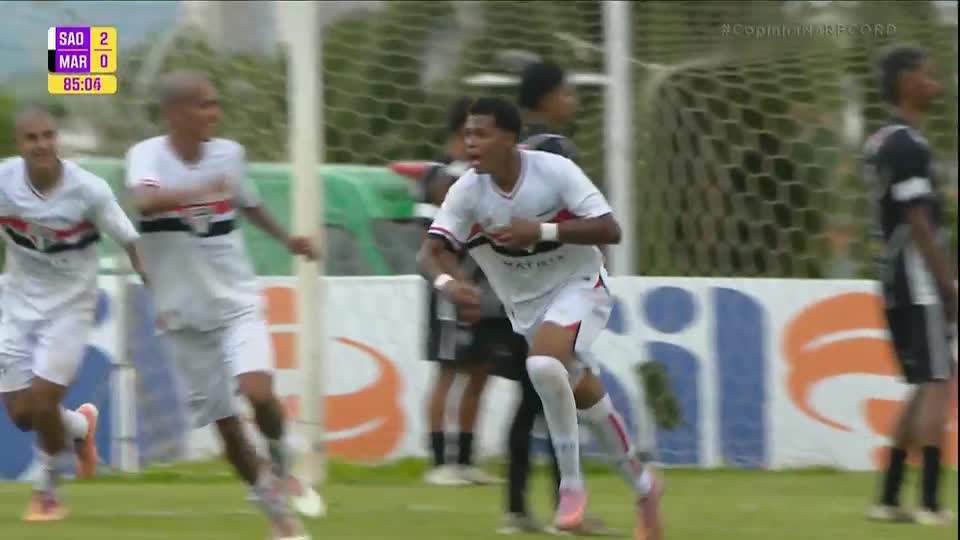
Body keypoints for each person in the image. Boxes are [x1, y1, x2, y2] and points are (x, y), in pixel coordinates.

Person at [417, 97, 663, 540]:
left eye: (482, 133)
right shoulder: (468, 192)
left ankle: (571, 490)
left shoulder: (554, 172)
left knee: (543, 367)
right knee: (584, 395)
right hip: (526, 312)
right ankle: (645, 488)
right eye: (468, 134)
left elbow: (611, 230)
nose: (470, 143)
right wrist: (448, 286)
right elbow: (430, 253)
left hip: (581, 288)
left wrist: (544, 230)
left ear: (510, 138)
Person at [125, 70, 318, 540]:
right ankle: (277, 516)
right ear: (175, 113)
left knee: (258, 392)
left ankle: (279, 453)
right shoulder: (145, 156)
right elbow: (144, 201)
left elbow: (246, 201)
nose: (214, 114)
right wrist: (197, 192)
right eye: (203, 105)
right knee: (227, 428)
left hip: (236, 300)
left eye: (215, 104)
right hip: (182, 314)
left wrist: (287, 238)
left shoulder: (230, 155)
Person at [0, 106, 144, 521]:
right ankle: (80, 429)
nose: (42, 144)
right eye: (32, 138)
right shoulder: (4, 181)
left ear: (56, 139)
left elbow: (131, 240)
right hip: (17, 303)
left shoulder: (89, 190)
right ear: (20, 144)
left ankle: (47, 489)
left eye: (48, 135)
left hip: (71, 306)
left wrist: (154, 278)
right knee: (23, 415)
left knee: (44, 400)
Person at [500, 60, 622, 537]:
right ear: (546, 98)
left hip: (516, 291)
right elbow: (581, 215)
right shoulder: (554, 151)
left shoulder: (510, 152)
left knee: (529, 399)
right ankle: (564, 509)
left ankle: (515, 510)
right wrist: (599, 260)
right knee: (558, 395)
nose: (572, 100)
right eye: (566, 92)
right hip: (554, 293)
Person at [864, 45, 956, 527]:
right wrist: (948, 286)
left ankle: (888, 498)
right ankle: (931, 503)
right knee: (939, 383)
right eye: (927, 73)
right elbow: (918, 220)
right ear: (906, 82)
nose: (935, 80)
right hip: (917, 277)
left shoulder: (883, 141)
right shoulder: (909, 146)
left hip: (896, 277)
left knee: (923, 385)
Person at [420, 97, 507, 486]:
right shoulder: (443, 177)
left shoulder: (479, 176)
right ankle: (440, 464)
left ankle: (466, 459)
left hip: (483, 288)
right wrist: (455, 280)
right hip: (451, 289)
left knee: (480, 371)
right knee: (448, 372)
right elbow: (431, 243)